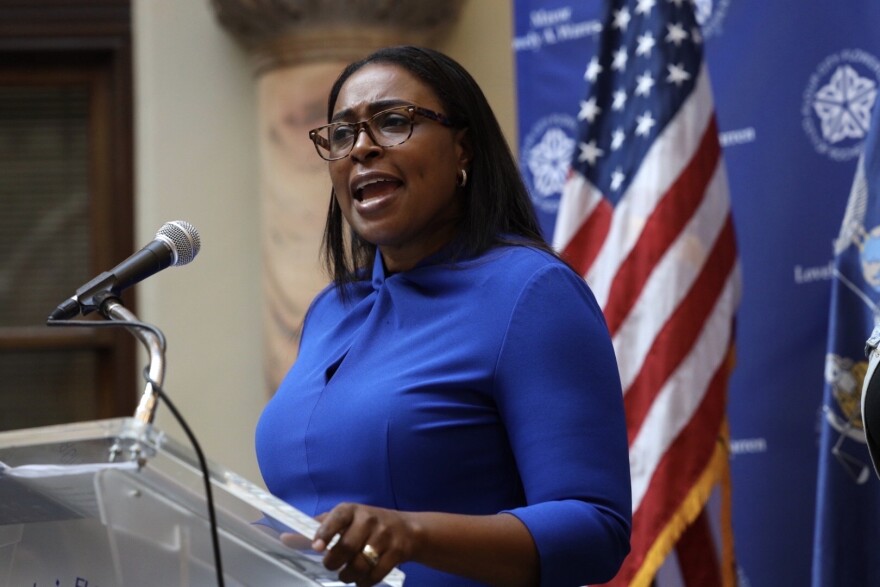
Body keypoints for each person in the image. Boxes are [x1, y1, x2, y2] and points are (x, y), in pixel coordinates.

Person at [254, 45, 631, 587]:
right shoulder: (330, 310)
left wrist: (410, 534)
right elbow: (303, 516)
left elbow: (595, 528)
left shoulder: (529, 293)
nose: (361, 147)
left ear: (464, 148)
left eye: (392, 122)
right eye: (342, 133)